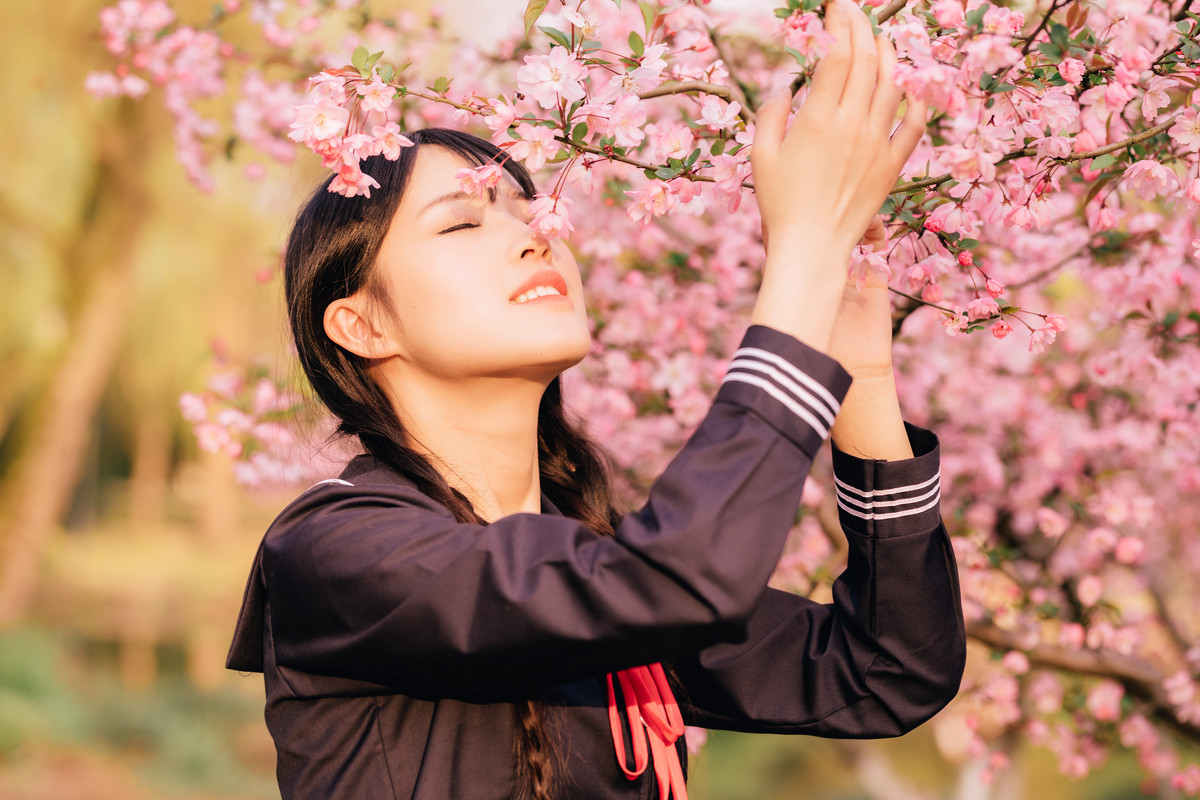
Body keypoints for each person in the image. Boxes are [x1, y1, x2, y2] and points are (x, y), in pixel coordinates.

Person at [226, 1, 966, 797]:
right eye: (461, 224)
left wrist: (857, 369)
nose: (535, 234)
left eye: (529, 207)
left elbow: (890, 669)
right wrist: (803, 259)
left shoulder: (603, 563)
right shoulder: (341, 554)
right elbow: (677, 579)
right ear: (363, 325)